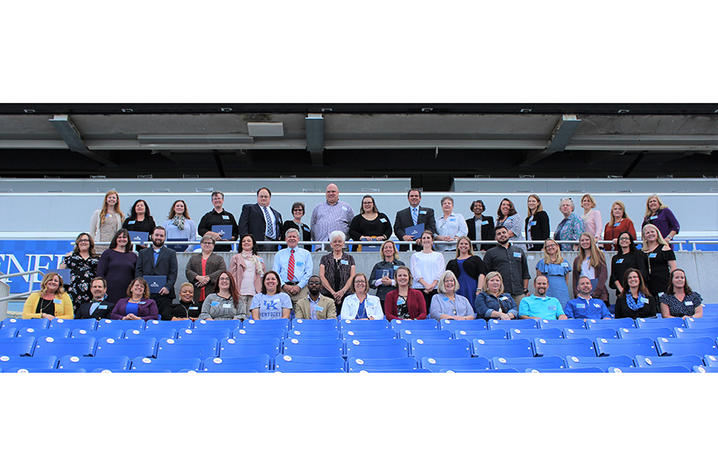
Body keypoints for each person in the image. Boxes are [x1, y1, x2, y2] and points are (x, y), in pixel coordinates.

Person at [134, 226, 178, 318]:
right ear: (152, 236)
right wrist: (142, 287)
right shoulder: (142, 252)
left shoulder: (171, 253)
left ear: (165, 237)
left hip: (164, 294)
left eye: (161, 235)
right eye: (156, 235)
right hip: (146, 294)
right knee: (144, 317)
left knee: (165, 317)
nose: (159, 237)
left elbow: (173, 272)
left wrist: (167, 287)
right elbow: (138, 271)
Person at [483, 226, 530, 305]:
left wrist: (525, 290)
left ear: (508, 234)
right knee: (502, 316)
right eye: (499, 234)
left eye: (504, 232)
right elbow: (485, 274)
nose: (502, 235)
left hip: (519, 293)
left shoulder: (519, 251)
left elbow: (525, 272)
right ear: (495, 238)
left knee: (521, 316)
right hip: (499, 293)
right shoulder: (490, 253)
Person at [59, 232, 99, 313]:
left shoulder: (96, 259)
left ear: (90, 243)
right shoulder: (70, 257)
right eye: (81, 240)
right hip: (73, 293)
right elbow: (61, 272)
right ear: (77, 243)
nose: (83, 242)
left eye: (85, 240)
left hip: (90, 294)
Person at [273, 228, 313, 306]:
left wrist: (299, 286)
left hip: (301, 289)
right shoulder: (279, 254)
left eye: (294, 237)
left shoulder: (306, 254)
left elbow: (308, 273)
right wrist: (283, 285)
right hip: (283, 289)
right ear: (285, 239)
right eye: (289, 237)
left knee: (302, 314)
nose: (292, 238)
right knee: (282, 313)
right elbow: (275, 272)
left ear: (298, 239)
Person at [446, 236, 487, 312]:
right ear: (458, 246)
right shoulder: (451, 263)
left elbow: (481, 274)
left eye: (466, 244)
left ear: (469, 246)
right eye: (461, 243)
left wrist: (479, 289)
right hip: (458, 289)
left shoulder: (476, 259)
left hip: (472, 287)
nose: (463, 246)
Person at [96, 229, 137, 304]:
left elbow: (135, 275)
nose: (122, 239)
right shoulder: (107, 253)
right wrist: (102, 288)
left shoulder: (133, 256)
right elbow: (100, 272)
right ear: (116, 239)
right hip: (110, 289)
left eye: (124, 237)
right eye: (119, 237)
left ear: (128, 240)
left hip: (127, 290)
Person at [319, 230, 356, 311]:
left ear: (343, 243)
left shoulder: (350, 258)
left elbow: (352, 276)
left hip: (346, 294)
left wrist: (342, 291)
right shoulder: (324, 258)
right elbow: (321, 276)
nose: (337, 243)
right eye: (334, 241)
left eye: (340, 241)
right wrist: (333, 292)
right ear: (331, 244)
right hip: (328, 294)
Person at [410, 230, 446, 310]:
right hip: (419, 288)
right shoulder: (415, 256)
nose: (426, 240)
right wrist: (426, 285)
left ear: (432, 241)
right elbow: (415, 273)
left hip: (435, 288)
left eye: (428, 238)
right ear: (421, 241)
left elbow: (440, 272)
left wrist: (432, 286)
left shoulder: (439, 255)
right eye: (424, 238)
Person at [185, 236, 227, 304]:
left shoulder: (219, 259)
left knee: (213, 310)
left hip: (213, 290)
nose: (207, 244)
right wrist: (197, 277)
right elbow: (188, 270)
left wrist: (209, 278)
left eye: (209, 243)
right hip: (197, 291)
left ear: (213, 245)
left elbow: (222, 270)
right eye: (205, 243)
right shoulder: (193, 258)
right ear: (201, 244)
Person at [238, 187, 283, 251]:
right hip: (256, 244)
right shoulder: (249, 209)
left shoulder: (277, 213)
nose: (263, 198)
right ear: (257, 197)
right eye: (261, 196)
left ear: (269, 198)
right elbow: (242, 226)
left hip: (273, 244)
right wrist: (246, 242)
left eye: (265, 196)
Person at [229, 234, 266, 310]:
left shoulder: (259, 259)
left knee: (251, 317)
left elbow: (262, 276)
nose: (246, 242)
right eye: (243, 241)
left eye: (249, 241)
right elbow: (232, 276)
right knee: (240, 316)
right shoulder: (235, 258)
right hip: (239, 292)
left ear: (253, 244)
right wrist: (234, 291)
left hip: (254, 292)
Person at [535, 238, 571, 311]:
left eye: (552, 245)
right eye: (547, 246)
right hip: (548, 292)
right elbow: (538, 280)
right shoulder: (541, 263)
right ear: (545, 249)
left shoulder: (564, 262)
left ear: (557, 246)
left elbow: (566, 280)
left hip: (562, 293)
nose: (550, 247)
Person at [641, 223, 677, 297]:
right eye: (647, 233)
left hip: (663, 284)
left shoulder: (665, 249)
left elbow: (673, 268)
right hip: (647, 286)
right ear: (644, 236)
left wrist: (672, 283)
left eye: (652, 232)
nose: (650, 234)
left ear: (657, 233)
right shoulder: (642, 252)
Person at [572, 233, 609, 304]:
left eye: (587, 240)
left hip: (598, 291)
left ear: (591, 241)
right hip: (583, 291)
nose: (584, 242)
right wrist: (576, 293)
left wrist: (596, 292)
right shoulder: (577, 259)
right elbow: (575, 278)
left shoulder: (599, 256)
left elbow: (603, 275)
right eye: (582, 240)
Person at [609, 231, 649, 296]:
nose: (624, 240)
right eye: (621, 239)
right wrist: (621, 290)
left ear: (630, 241)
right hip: (621, 292)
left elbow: (643, 272)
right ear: (618, 242)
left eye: (626, 238)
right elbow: (614, 276)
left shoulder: (638, 255)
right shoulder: (615, 258)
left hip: (638, 291)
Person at [368, 240, 406, 306]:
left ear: (394, 250)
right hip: (382, 298)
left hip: (398, 297)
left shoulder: (401, 265)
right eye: (386, 247)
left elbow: (406, 281)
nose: (388, 249)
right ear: (382, 251)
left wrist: (391, 282)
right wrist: (380, 281)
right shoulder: (378, 265)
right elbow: (370, 283)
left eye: (390, 247)